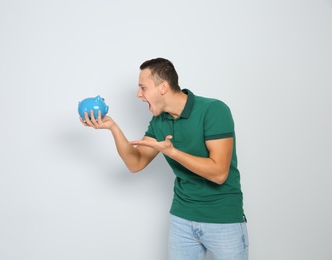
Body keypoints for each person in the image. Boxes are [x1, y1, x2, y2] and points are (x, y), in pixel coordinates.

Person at [80, 57, 249, 260]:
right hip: (182, 219)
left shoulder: (214, 111)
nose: (138, 94)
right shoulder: (160, 121)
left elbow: (219, 173)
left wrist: (172, 152)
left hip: (223, 219)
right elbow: (136, 163)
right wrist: (113, 127)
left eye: (143, 88)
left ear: (163, 87)